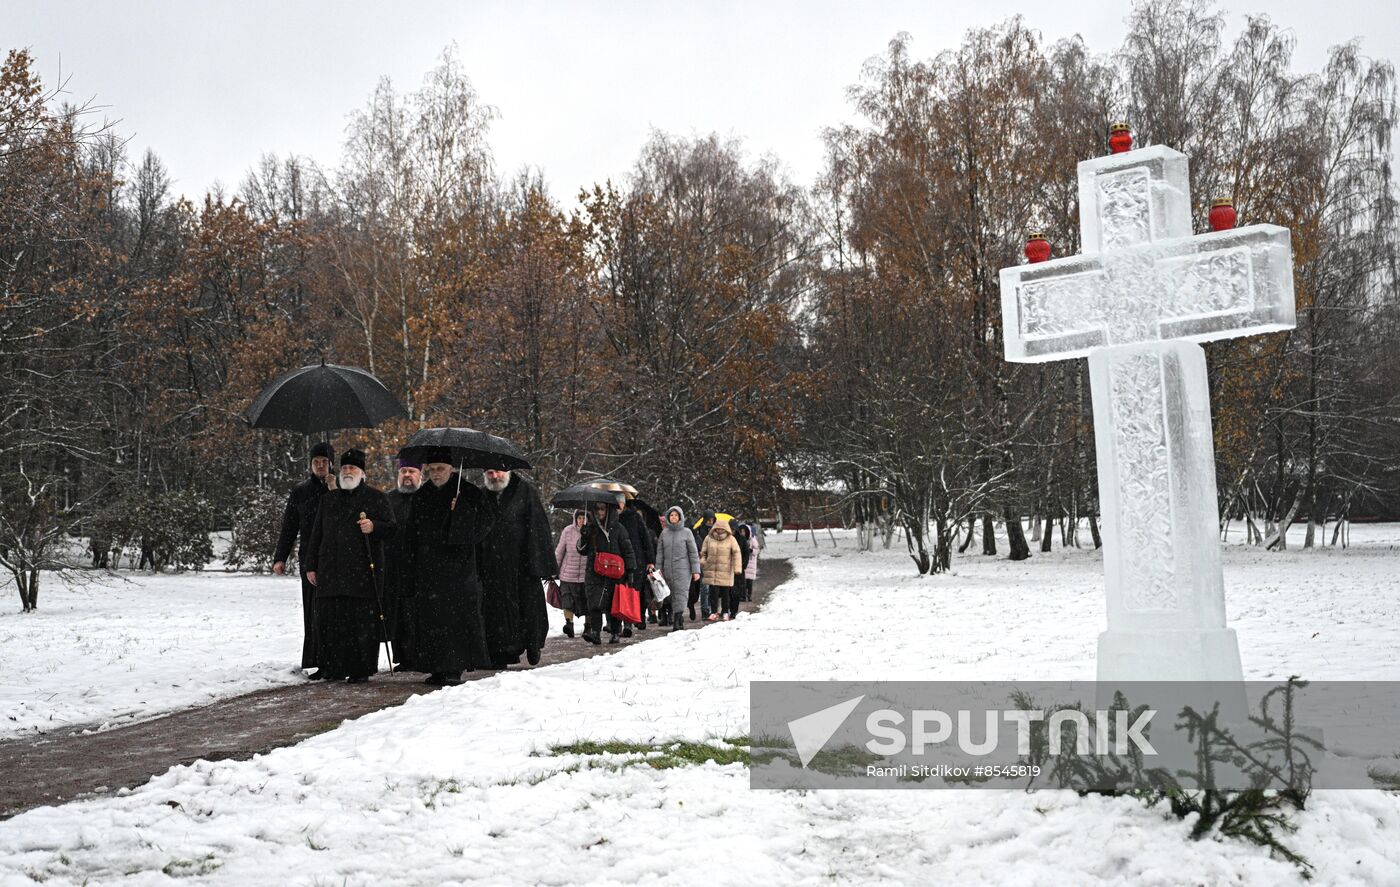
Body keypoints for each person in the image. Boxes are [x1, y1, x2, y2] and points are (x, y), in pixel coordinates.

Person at [398, 451, 494, 685]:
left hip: (457, 569)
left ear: (452, 469)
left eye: (440, 468)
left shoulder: (468, 492)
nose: (435, 473)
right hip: (428, 567)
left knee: (454, 620)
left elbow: (485, 524)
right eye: (431, 468)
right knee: (431, 619)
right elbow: (412, 532)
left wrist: (460, 511)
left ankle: (454, 666)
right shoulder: (422, 495)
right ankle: (436, 666)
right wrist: (409, 564)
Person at [303, 449, 396, 683]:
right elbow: (317, 534)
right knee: (330, 622)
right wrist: (311, 565)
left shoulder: (376, 497)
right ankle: (332, 666)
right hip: (330, 571)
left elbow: (392, 528)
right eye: (344, 468)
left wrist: (374, 527)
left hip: (362, 574)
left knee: (359, 624)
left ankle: (359, 669)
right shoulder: (328, 499)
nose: (347, 472)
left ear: (362, 473)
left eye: (352, 468)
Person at [477, 468, 557, 668]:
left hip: (522, 564)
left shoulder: (525, 491)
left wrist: (540, 562)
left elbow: (538, 526)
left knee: (528, 607)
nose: (495, 477)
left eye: (498, 472)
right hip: (492, 564)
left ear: (508, 471)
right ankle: (501, 651)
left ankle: (533, 643)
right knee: (496, 611)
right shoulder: (481, 495)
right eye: (489, 473)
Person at [272, 441, 337, 678]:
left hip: (338, 557)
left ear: (332, 463)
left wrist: (334, 489)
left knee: (334, 610)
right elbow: (289, 527)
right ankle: (318, 659)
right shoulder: (300, 491)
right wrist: (281, 557)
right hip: (310, 558)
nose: (320, 466)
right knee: (313, 611)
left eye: (324, 461)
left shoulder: (341, 486)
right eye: (315, 462)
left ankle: (337, 659)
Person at [577, 498, 636, 645]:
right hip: (594, 571)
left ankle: (615, 632)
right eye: (597, 509)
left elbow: (628, 550)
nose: (599, 512)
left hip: (614, 572)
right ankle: (596, 633)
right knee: (594, 603)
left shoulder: (618, 528)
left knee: (613, 603)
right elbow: (581, 551)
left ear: (608, 510)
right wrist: (584, 536)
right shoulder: (591, 528)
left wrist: (630, 571)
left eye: (602, 509)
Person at [383, 455, 423, 670]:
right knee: (397, 612)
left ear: (420, 475)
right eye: (404, 471)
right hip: (394, 565)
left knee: (417, 613)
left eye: (412, 471)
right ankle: (403, 657)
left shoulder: (427, 498)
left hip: (420, 565)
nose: (407, 475)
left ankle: (419, 655)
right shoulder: (388, 499)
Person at [615, 494, 656, 636]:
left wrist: (650, 560)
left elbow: (645, 538)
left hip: (636, 559)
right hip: (617, 560)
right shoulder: (611, 518)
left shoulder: (634, 517)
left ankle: (629, 622)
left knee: (633, 591)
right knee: (618, 590)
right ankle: (617, 624)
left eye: (619, 502)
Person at [654, 506, 701, 630]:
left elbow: (693, 553)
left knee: (681, 594)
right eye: (671, 515)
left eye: (676, 515)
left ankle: (677, 620)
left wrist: (696, 570)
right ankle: (676, 618)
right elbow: (660, 554)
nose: (673, 517)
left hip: (683, 570)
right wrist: (658, 570)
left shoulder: (687, 532)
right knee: (670, 595)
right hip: (667, 570)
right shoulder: (664, 533)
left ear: (680, 517)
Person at [700, 518, 743, 622]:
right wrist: (703, 562)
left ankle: (725, 612)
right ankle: (714, 612)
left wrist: (737, 568)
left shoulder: (731, 539)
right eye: (717, 528)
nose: (719, 530)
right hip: (712, 570)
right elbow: (703, 552)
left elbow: (737, 553)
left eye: (721, 528)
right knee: (713, 593)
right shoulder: (708, 538)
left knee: (725, 593)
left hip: (725, 570)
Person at [554, 510, 588, 638]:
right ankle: (569, 624)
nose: (581, 520)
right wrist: (554, 568)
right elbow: (560, 550)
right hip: (568, 574)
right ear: (575, 518)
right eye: (579, 518)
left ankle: (588, 627)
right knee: (567, 600)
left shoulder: (592, 531)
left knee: (587, 602)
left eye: (584, 518)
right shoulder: (567, 531)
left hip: (586, 575)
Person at [693, 510, 718, 620]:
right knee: (705, 587)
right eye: (709, 520)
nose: (711, 522)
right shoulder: (699, 532)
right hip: (703, 561)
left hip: (713, 560)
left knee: (712, 587)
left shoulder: (715, 532)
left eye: (712, 520)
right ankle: (705, 609)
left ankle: (712, 609)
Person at [732, 523, 754, 616]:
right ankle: (727, 609)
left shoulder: (742, 539)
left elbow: (746, 553)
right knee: (728, 591)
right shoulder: (727, 539)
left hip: (739, 568)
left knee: (736, 591)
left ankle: (734, 610)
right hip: (728, 568)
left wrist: (743, 565)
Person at [742, 521, 760, 603]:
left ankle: (749, 595)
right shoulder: (741, 539)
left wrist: (751, 550)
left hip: (751, 562)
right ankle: (743, 596)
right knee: (743, 581)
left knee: (749, 582)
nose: (743, 533)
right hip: (744, 562)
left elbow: (756, 550)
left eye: (744, 531)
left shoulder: (753, 539)